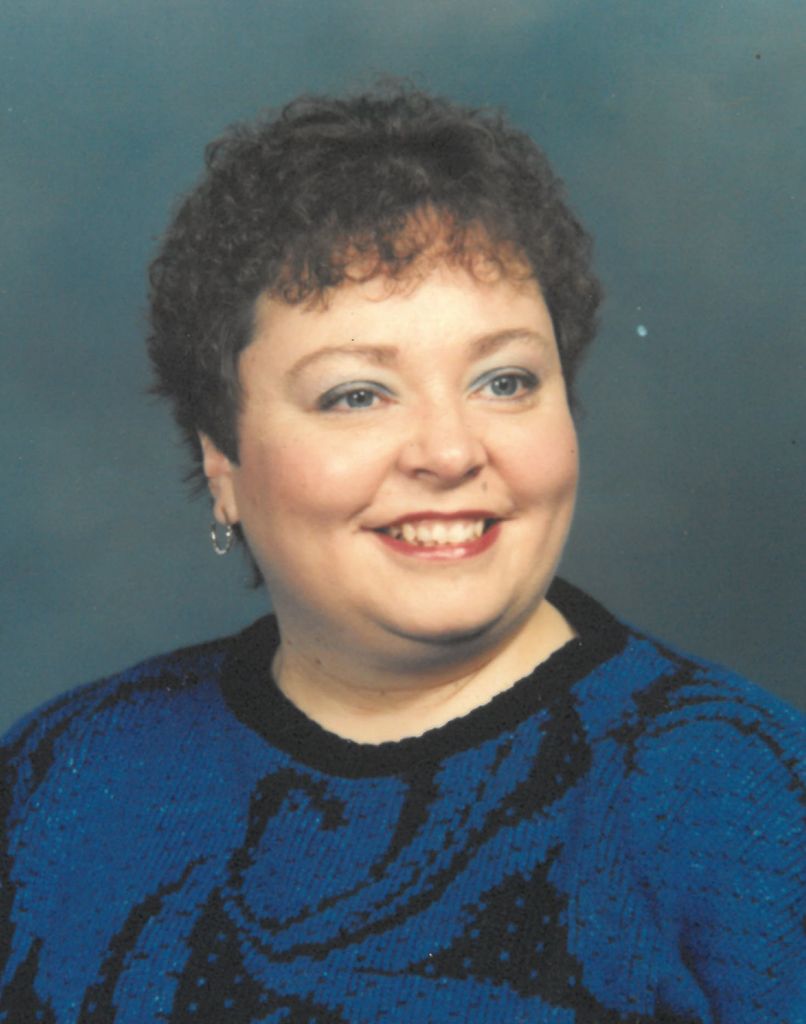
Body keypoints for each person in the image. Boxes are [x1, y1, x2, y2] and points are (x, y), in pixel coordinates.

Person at [0, 86, 803, 1024]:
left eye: (505, 381)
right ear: (222, 461)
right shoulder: (56, 778)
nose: (451, 452)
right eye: (357, 395)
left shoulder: (744, 801)